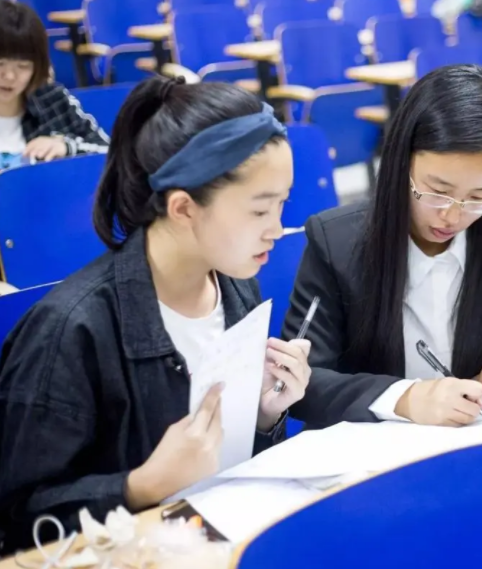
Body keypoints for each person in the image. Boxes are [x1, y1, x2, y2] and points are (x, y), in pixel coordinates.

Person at [0, 77, 311, 553]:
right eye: (259, 211)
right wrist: (142, 485)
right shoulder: (70, 331)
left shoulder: (235, 285)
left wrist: (262, 416)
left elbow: (226, 472)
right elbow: (17, 520)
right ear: (183, 208)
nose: (277, 228)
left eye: (282, 204)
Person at [283, 64, 482, 429]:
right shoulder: (336, 241)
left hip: (481, 431)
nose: (452, 216)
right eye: (437, 191)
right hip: (376, 443)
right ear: (401, 162)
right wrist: (405, 398)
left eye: (480, 197)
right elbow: (302, 379)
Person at [0, 0, 108, 169]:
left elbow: (108, 152)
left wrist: (67, 147)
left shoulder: (52, 100)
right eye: (0, 64)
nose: (10, 76)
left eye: (23, 66)